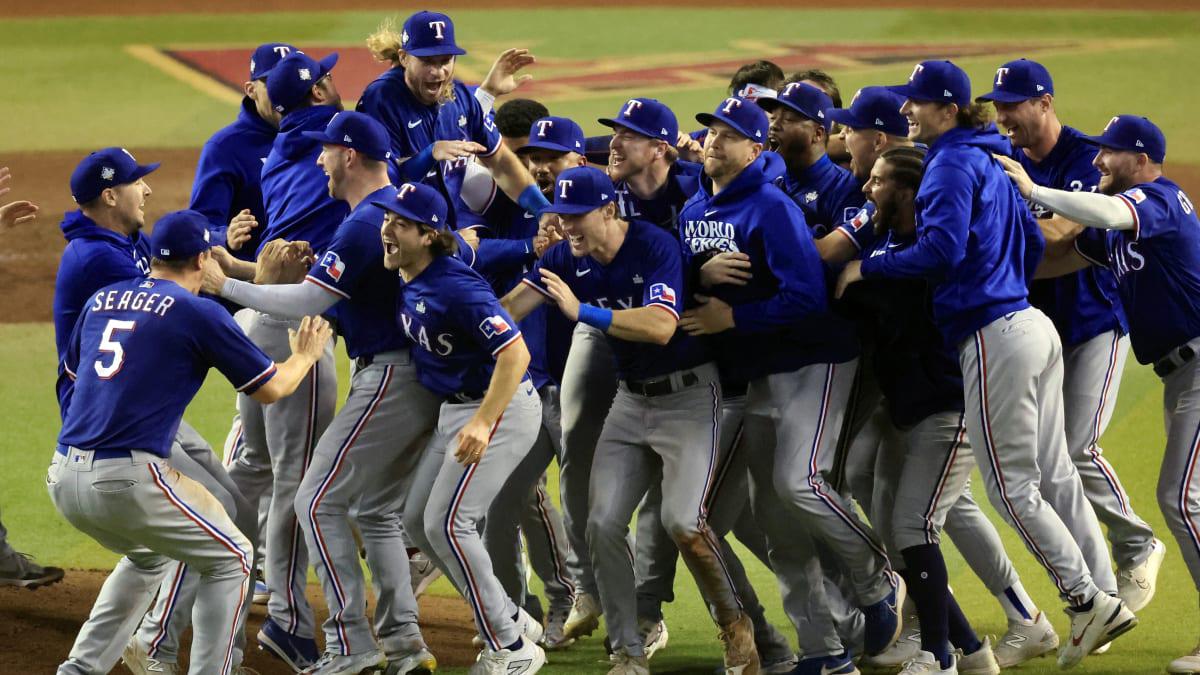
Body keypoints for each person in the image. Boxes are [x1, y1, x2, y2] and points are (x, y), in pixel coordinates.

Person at [837, 59, 1135, 669]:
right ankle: (1093, 595)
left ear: (947, 110)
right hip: (1029, 323)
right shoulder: (994, 160)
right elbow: (1028, 245)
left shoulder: (950, 162)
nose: (906, 110)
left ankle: (1086, 601)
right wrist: (999, 282)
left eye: (917, 102)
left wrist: (869, 266)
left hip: (994, 334)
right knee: (1043, 474)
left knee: (1010, 486)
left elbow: (941, 250)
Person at [208, 112, 461, 675]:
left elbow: (308, 300)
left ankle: (350, 643)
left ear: (348, 155)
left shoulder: (369, 219)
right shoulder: (395, 211)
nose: (319, 161)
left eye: (325, 151)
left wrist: (224, 285)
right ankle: (404, 644)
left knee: (316, 500)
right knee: (374, 512)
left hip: (392, 375)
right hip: (415, 373)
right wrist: (247, 271)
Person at [501, 166, 758, 675]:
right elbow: (510, 307)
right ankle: (628, 651)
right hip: (629, 400)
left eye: (577, 216)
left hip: (689, 397)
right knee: (601, 523)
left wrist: (584, 312)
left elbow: (661, 326)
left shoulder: (653, 246)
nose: (567, 225)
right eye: (562, 215)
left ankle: (735, 623)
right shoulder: (564, 257)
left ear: (608, 210)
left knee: (683, 522)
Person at [50, 209, 331, 675]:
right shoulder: (196, 311)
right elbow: (273, 388)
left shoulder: (102, 299)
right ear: (204, 260)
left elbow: (71, 378)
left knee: (149, 556)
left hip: (63, 473)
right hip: (127, 478)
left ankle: (78, 670)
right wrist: (304, 355)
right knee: (234, 558)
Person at [679, 96, 898, 674]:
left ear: (756, 149)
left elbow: (807, 296)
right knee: (777, 524)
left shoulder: (772, 207)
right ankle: (824, 650)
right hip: (755, 373)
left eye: (729, 135)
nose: (714, 141)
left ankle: (877, 579)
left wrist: (735, 318)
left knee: (799, 483)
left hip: (813, 360)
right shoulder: (695, 206)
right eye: (711, 131)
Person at [993, 114, 1200, 675]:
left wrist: (1034, 191)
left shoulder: (1159, 200)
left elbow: (1107, 213)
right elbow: (1059, 257)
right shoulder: (1118, 226)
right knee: (1184, 498)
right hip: (1180, 372)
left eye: (1109, 153)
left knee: (1181, 498)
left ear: (1140, 160)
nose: (1098, 160)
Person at [978, 58, 1164, 614]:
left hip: (1094, 323)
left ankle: (1137, 544)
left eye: (1013, 105)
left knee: (1078, 446)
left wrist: (996, 248)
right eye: (997, 107)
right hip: (1037, 331)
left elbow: (1066, 233)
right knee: (1047, 463)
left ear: (1045, 103)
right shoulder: (999, 154)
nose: (1004, 117)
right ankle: (1094, 589)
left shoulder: (1086, 157)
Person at [839, 147, 1001, 674]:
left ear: (908, 193)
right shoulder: (889, 244)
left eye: (879, 181)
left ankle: (938, 656)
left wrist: (858, 281)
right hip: (907, 412)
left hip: (948, 411)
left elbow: (891, 304)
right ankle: (971, 649)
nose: (867, 188)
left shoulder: (927, 260)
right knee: (899, 536)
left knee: (914, 527)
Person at [379, 181, 547, 675]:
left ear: (429, 235)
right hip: (458, 411)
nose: (387, 229)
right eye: (387, 219)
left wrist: (483, 421)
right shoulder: (408, 272)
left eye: (401, 224)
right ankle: (509, 617)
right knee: (418, 520)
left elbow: (515, 353)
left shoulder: (456, 287)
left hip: (500, 409)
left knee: (450, 524)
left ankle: (511, 648)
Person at [462, 113, 584, 649]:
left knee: (588, 505)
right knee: (504, 500)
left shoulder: (591, 211)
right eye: (529, 157)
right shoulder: (498, 205)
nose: (536, 168)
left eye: (549, 158)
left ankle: (613, 609)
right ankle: (512, 614)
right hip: (526, 378)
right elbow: (465, 242)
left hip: (579, 382)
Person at [358, 11, 550, 230]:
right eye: (427, 61)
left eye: (445, 60)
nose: (438, 72)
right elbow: (380, 186)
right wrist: (429, 155)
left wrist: (544, 209)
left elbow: (501, 163)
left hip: (441, 227)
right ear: (404, 58)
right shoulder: (382, 99)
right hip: (394, 231)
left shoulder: (458, 95)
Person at [759, 82, 864, 238]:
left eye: (788, 119)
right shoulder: (767, 181)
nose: (774, 125)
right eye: (773, 118)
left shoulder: (845, 189)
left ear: (818, 134)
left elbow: (837, 252)